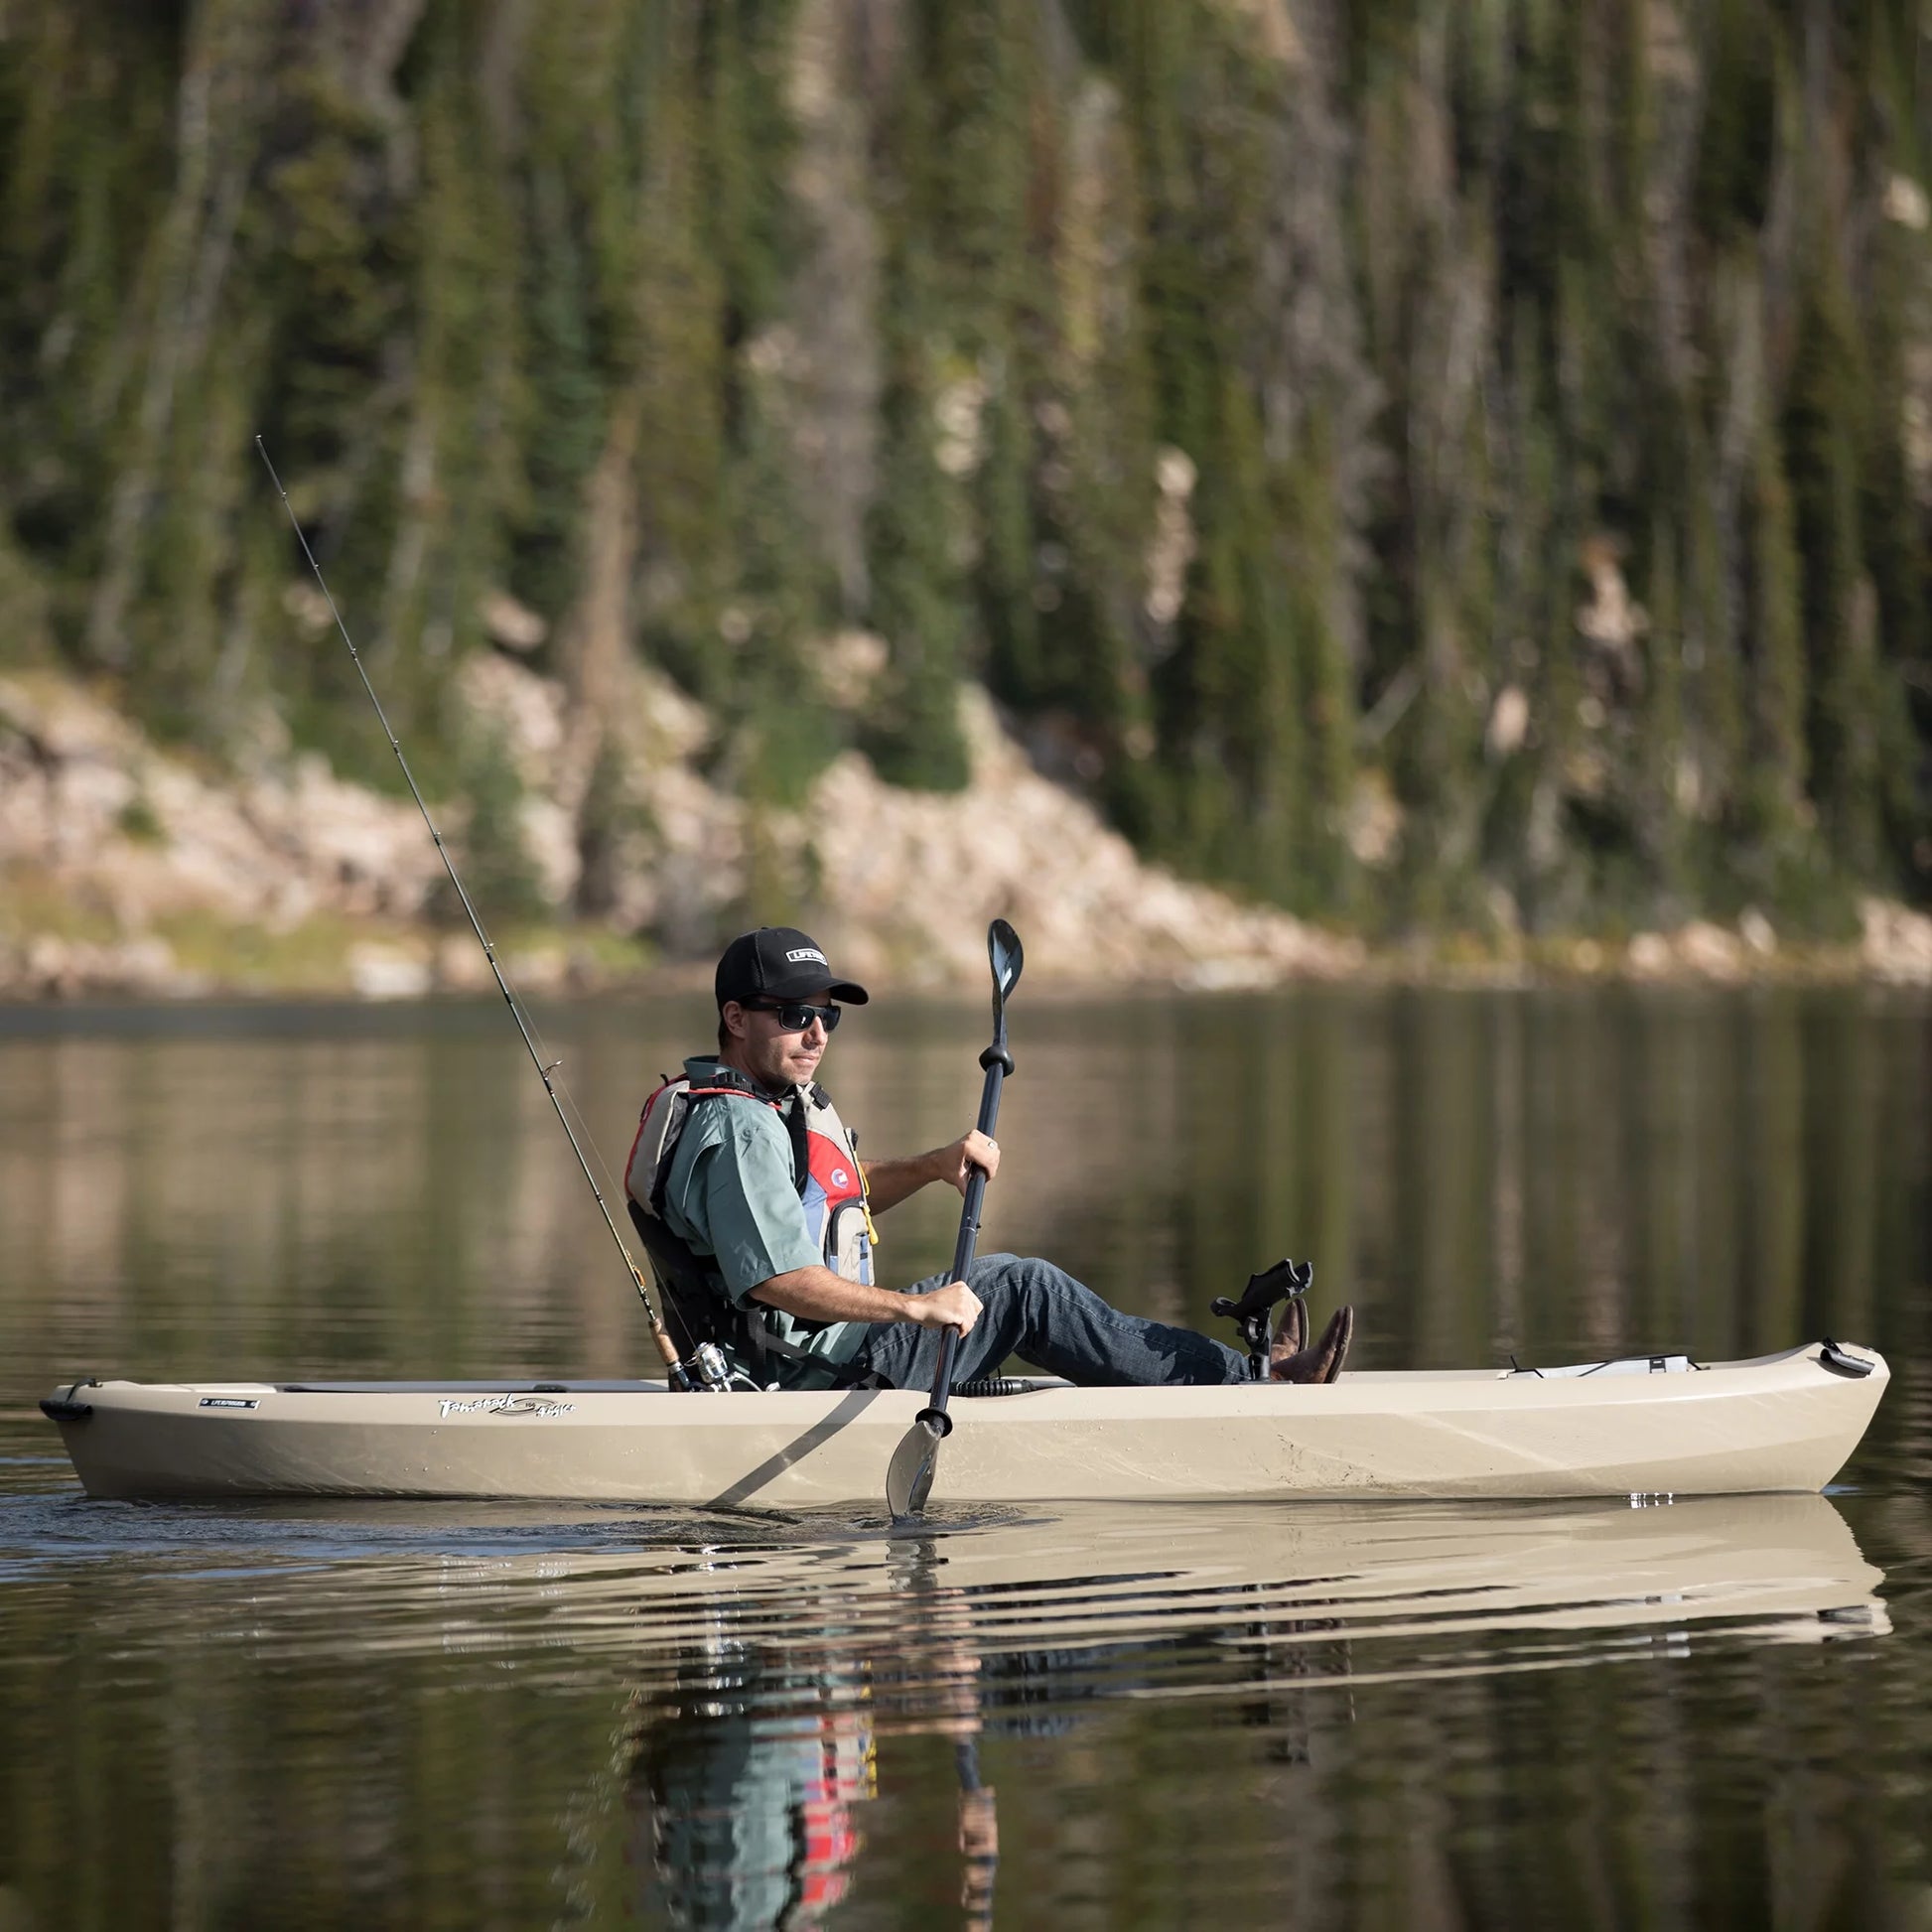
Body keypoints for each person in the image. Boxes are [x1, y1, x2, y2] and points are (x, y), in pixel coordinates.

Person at [623, 925, 1353, 1392]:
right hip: (810, 1372)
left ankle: (1242, 1373)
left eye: (827, 1015)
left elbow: (826, 1204)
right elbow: (781, 1277)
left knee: (1002, 1282)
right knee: (1022, 1290)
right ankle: (1255, 1382)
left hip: (820, 1353)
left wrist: (934, 1164)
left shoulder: (766, 1104)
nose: (817, 1034)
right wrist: (915, 1307)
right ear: (735, 1018)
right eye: (794, 1015)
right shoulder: (738, 1127)